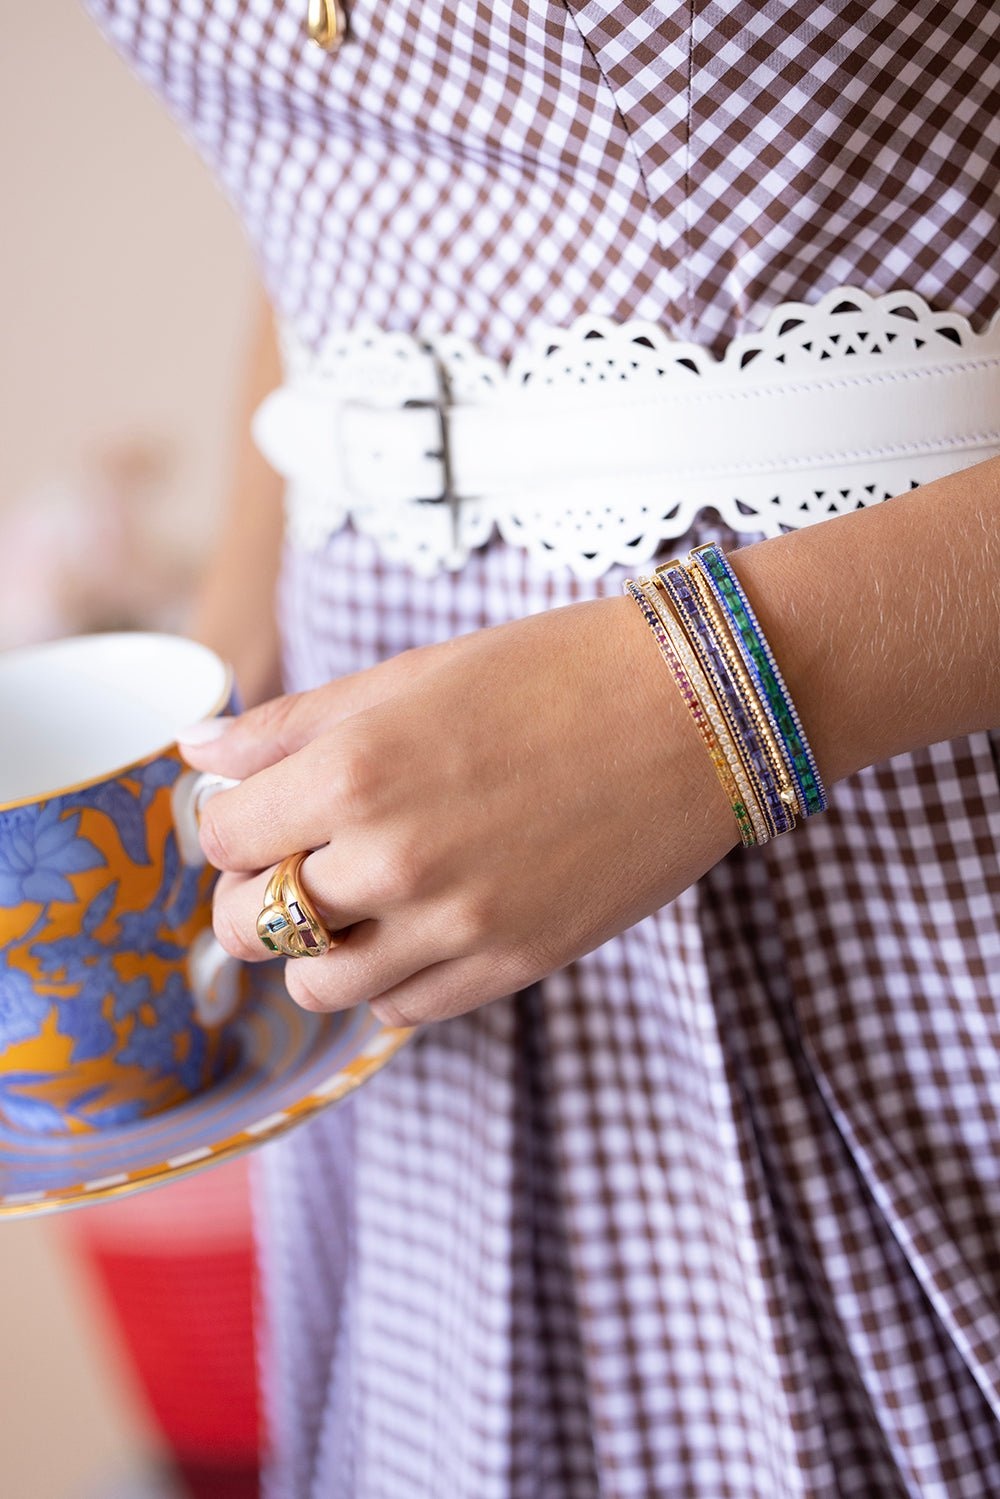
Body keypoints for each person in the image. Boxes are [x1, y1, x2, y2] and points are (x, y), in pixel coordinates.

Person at [85, 2, 999, 1495]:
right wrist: (213, 699)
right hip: (406, 947)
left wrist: (713, 703)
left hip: (920, 862)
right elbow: (322, 200)